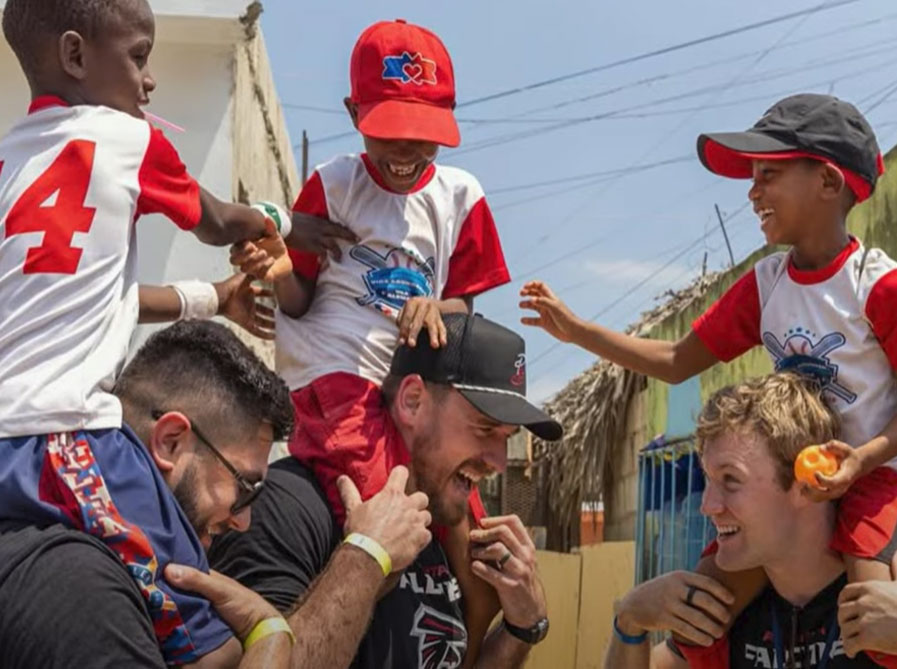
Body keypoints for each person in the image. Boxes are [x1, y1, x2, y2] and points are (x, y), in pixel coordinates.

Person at [521, 93, 897, 660]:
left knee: (872, 619)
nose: (752, 191)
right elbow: (677, 359)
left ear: (827, 180)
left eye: (768, 175)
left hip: (872, 479)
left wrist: (863, 459)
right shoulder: (768, 285)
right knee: (702, 612)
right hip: (793, 486)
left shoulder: (876, 286)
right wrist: (580, 333)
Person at [0, 0, 290, 663]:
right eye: (137, 57)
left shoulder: (7, 163)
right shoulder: (129, 138)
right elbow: (215, 221)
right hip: (69, 434)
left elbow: (104, 299)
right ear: (76, 56)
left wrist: (213, 298)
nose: (150, 80)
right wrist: (268, 222)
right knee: (208, 625)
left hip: (8, 440)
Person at [230, 18, 527, 653]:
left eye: (424, 137)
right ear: (353, 112)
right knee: (380, 503)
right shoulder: (335, 185)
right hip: (335, 374)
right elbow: (302, 300)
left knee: (463, 530)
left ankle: (455, 631)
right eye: (389, 132)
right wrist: (281, 270)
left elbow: (463, 308)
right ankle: (366, 600)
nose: (406, 152)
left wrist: (437, 308)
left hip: (405, 386)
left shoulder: (460, 197)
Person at [0, 321, 433, 669]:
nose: (243, 521)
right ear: (171, 441)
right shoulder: (82, 591)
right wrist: (271, 629)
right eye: (245, 487)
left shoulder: (114, 566)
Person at [210, 314, 560, 668]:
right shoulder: (287, 509)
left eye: (507, 438)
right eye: (485, 428)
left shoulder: (444, 524)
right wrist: (363, 559)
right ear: (412, 400)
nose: (499, 462)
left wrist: (522, 628)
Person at [606, 373, 893, 668]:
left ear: (808, 484)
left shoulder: (887, 601)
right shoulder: (727, 613)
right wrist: (629, 620)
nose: (707, 506)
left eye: (730, 480)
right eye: (708, 480)